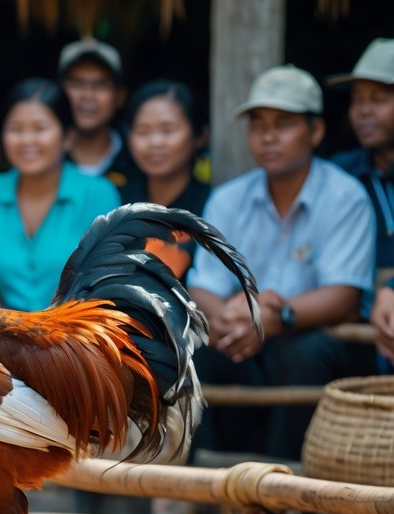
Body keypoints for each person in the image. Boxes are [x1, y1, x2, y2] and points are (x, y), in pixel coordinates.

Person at [187, 65, 376, 461]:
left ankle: (285, 489)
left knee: (304, 352)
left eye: (284, 124)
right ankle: (207, 485)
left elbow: (344, 295)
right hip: (244, 336)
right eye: (258, 125)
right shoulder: (229, 198)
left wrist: (277, 316)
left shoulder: (345, 196)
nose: (268, 136)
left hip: (306, 339)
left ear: (316, 132)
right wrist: (229, 318)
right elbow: (202, 284)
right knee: (197, 350)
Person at [0, 78, 120, 311]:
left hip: (77, 339)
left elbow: (103, 286)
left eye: (40, 129)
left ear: (67, 137)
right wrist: (8, 338)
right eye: (16, 129)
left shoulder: (98, 195)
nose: (27, 140)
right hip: (2, 339)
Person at [329, 38, 394, 369]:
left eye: (378, 99)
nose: (363, 111)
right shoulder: (340, 174)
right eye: (357, 100)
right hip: (355, 332)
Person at [120, 80, 211, 279]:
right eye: (143, 132)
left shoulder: (213, 206)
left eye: (168, 130)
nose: (155, 142)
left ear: (200, 136)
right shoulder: (116, 202)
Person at [58, 38, 142, 192]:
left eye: (101, 85)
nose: (87, 95)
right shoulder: (44, 158)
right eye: (77, 84)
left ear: (120, 96)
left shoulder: (139, 158)